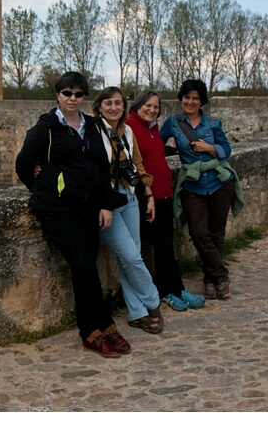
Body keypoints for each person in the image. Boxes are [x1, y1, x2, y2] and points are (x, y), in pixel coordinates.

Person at [15, 72, 131, 358]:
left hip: (89, 208)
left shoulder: (91, 125)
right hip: (58, 210)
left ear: (84, 98)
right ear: (58, 95)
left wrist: (105, 204)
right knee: (83, 264)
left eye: (79, 94)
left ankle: (98, 329)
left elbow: (103, 167)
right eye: (67, 93)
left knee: (86, 266)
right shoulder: (46, 128)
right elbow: (23, 163)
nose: (72, 99)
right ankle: (96, 328)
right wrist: (42, 188)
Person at [160, 79, 243, 301]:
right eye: (187, 97)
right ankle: (221, 274)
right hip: (192, 184)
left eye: (195, 98)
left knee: (216, 232)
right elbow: (156, 143)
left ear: (202, 101)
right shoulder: (173, 122)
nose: (190, 101)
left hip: (219, 182)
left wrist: (209, 148)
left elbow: (226, 150)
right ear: (181, 99)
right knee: (198, 233)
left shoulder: (213, 123)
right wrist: (169, 151)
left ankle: (210, 279)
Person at [91, 87, 164, 334]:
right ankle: (153, 301)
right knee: (131, 257)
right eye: (108, 103)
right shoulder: (91, 131)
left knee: (130, 257)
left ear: (124, 106)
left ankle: (137, 313)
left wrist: (149, 195)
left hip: (129, 197)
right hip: (106, 202)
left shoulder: (128, 131)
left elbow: (138, 164)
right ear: (99, 106)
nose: (114, 107)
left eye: (118, 103)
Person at [126, 90, 206, 311]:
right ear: (137, 105)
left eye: (156, 107)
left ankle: (176, 289)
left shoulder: (152, 128)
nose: (152, 110)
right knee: (160, 245)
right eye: (148, 106)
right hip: (147, 197)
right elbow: (134, 164)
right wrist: (147, 193)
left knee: (166, 245)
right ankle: (165, 291)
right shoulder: (129, 128)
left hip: (163, 194)